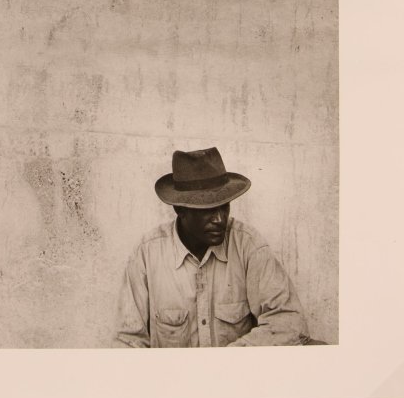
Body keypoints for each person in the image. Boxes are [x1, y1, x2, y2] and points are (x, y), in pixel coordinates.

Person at [113, 147, 310, 347]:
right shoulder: (147, 254)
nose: (219, 219)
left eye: (224, 206)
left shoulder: (248, 245)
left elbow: (289, 322)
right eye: (207, 209)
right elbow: (128, 341)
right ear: (180, 209)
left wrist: (226, 360)